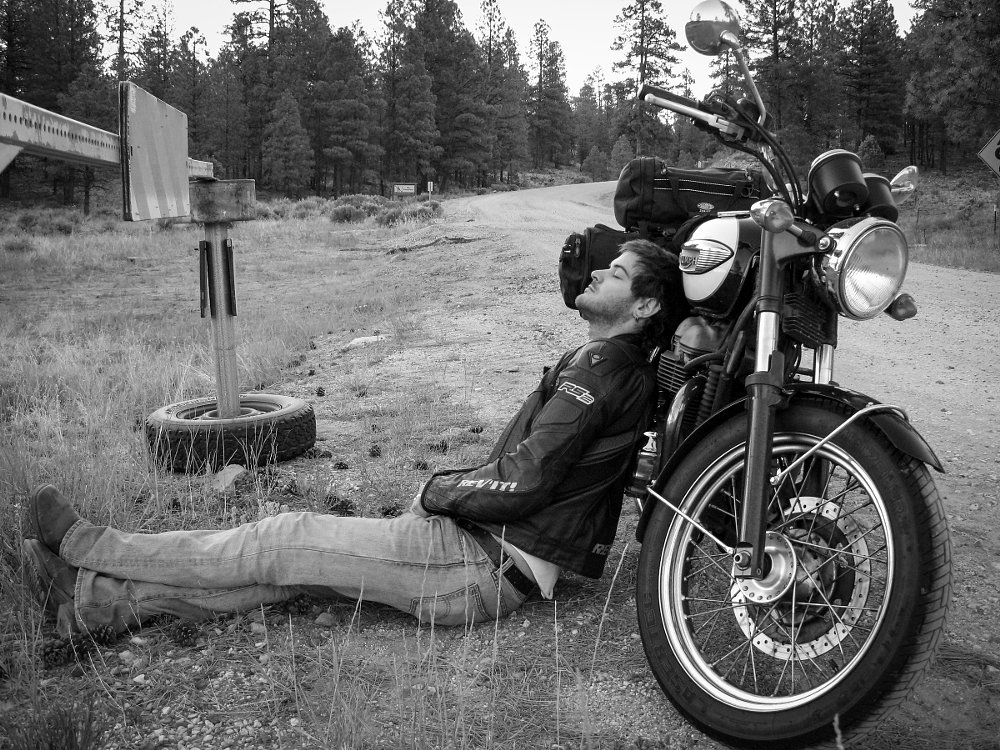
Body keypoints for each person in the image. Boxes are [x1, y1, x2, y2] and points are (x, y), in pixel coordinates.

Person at [22, 240, 686, 638]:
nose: (598, 274)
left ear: (647, 306)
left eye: (618, 273)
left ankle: (86, 544)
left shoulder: (606, 367)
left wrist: (435, 492)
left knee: (279, 539)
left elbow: (524, 480)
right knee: (287, 577)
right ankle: (93, 605)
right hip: (486, 561)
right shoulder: (614, 366)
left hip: (477, 564)